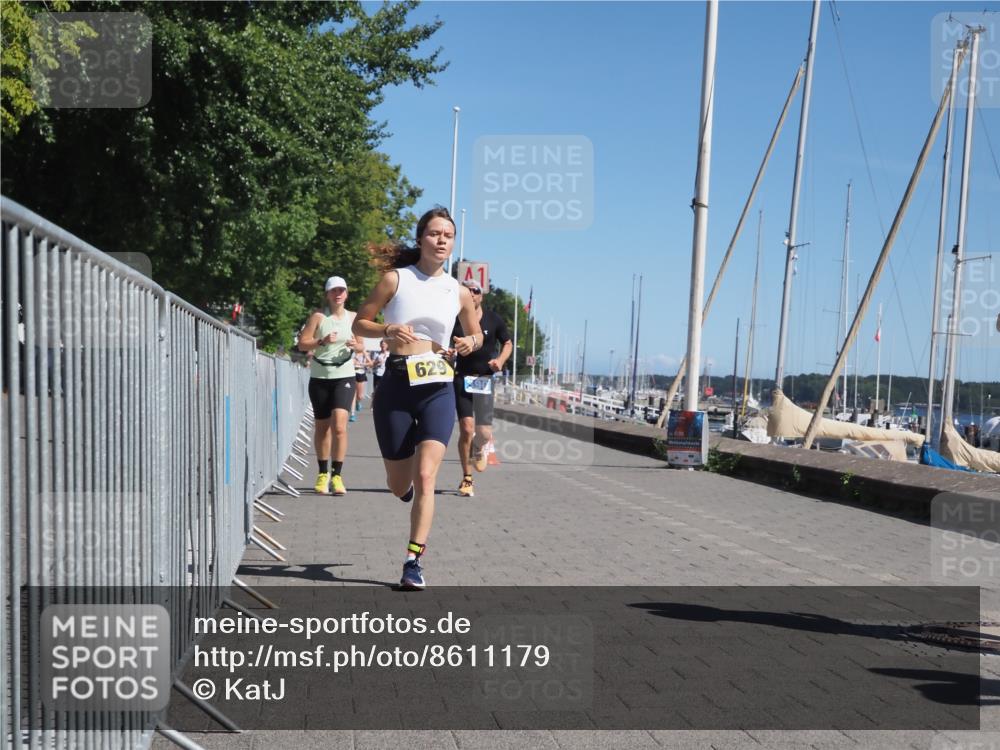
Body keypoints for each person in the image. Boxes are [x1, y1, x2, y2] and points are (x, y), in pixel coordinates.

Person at [353, 207, 482, 590]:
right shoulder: (396, 279)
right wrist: (388, 326)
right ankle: (402, 485)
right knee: (399, 484)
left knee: (427, 476)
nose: (442, 240)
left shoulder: (457, 290)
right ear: (421, 237)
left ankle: (413, 561)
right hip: (395, 383)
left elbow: (476, 336)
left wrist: (466, 342)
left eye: (448, 235)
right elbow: (360, 321)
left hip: (439, 386)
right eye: (435, 233)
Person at [298, 276, 363, 496]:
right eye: (334, 291)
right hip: (320, 377)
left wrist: (357, 345)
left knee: (339, 426)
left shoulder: (354, 318)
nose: (338, 294)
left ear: (346, 294)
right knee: (322, 427)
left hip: (344, 376)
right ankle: (322, 472)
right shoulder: (318, 317)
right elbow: (302, 343)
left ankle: (337, 475)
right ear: (327, 294)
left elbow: (362, 345)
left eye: (342, 290)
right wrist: (321, 341)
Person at [452, 279, 512, 497]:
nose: (471, 294)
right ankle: (467, 479)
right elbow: (445, 344)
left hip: (484, 379)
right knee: (467, 429)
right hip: (461, 378)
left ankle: (478, 447)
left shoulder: (493, 319)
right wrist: (449, 354)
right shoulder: (455, 319)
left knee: (484, 433)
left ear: (481, 295)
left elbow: (507, 343)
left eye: (475, 291)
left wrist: (500, 361)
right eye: (467, 291)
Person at [351, 348, 374, 421]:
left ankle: (358, 402)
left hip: (361, 373)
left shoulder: (363, 352)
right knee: (352, 395)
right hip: (351, 373)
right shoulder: (351, 351)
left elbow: (370, 363)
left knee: (360, 396)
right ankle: (352, 414)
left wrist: (362, 364)